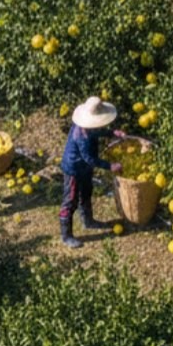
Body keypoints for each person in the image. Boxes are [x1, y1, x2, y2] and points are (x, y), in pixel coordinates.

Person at [59, 96, 126, 248]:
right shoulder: (81, 136)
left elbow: (98, 132)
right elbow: (90, 159)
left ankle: (88, 220)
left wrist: (113, 133)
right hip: (74, 170)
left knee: (86, 193)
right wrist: (110, 166)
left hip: (85, 169)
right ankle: (66, 235)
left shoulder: (88, 128)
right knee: (70, 200)